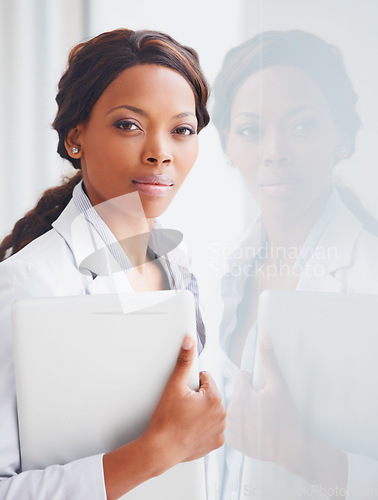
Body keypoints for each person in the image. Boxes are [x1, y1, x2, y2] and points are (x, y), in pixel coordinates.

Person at [0, 28, 226, 500]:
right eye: (129, 124)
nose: (160, 151)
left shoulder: (177, 263)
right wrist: (156, 452)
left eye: (181, 130)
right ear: (75, 135)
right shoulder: (28, 285)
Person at [212, 30, 378, 499]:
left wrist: (298, 452)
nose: (275, 151)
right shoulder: (218, 278)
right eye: (250, 130)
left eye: (302, 126)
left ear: (341, 138)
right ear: (228, 146)